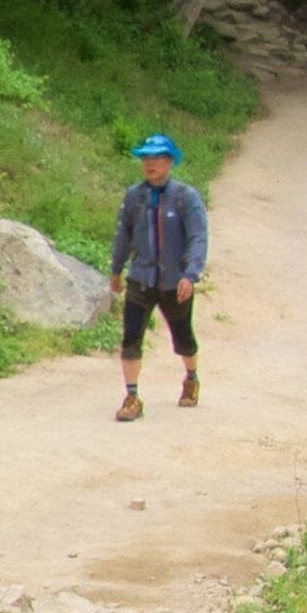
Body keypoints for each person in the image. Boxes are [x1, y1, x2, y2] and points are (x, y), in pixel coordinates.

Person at [107, 134, 207, 421]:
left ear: (169, 162)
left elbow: (198, 238)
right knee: (130, 338)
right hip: (140, 278)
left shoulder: (186, 197)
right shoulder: (134, 197)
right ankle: (132, 396)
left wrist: (191, 274)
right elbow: (123, 235)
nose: (149, 164)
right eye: (145, 158)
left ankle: (191, 377)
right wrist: (116, 269)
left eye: (156, 158)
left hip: (174, 281)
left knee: (183, 337)